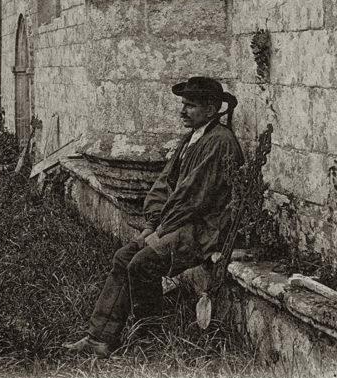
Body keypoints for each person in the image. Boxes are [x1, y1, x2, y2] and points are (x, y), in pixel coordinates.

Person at [63, 76, 244, 357]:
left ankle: (150, 337)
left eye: (190, 106)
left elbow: (193, 196)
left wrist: (160, 231)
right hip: (179, 222)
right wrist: (151, 223)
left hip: (204, 228)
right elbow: (165, 184)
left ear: (211, 110)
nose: (182, 111)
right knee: (124, 257)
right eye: (183, 104)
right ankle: (99, 338)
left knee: (143, 264)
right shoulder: (192, 138)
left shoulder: (219, 142)